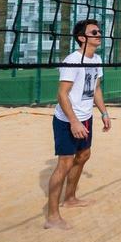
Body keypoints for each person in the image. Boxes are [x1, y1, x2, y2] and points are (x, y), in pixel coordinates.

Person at [44, 19, 110, 230]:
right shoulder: (72, 60)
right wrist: (73, 121)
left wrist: (104, 112)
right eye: (94, 32)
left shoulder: (97, 59)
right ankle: (52, 217)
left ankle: (70, 198)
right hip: (67, 119)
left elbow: (96, 90)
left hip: (86, 117)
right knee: (64, 163)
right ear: (82, 38)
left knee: (84, 155)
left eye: (99, 31)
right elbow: (62, 94)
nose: (99, 34)